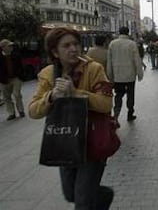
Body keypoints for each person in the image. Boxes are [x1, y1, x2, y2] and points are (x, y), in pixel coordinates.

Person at [28, 27, 114, 209]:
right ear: (55, 52)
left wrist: (76, 93)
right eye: (66, 46)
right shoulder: (48, 74)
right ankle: (103, 195)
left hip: (92, 141)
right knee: (70, 194)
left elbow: (106, 104)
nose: (73, 49)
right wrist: (51, 96)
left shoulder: (94, 69)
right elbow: (33, 111)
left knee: (82, 201)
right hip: (65, 142)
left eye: (75, 44)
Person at [107, 26, 143, 126]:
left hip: (117, 75)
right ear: (128, 33)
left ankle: (116, 115)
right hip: (130, 75)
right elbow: (137, 60)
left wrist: (110, 75)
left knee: (118, 95)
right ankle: (130, 113)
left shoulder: (112, 44)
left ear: (119, 32)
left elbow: (109, 61)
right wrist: (140, 74)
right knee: (130, 95)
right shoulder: (132, 44)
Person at [0, 39, 25, 120]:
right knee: (6, 97)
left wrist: (21, 77)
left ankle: (21, 111)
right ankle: (12, 113)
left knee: (16, 94)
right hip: (4, 80)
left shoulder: (16, 55)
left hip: (16, 78)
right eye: (9, 46)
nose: (11, 47)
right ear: (3, 47)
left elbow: (21, 66)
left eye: (11, 45)